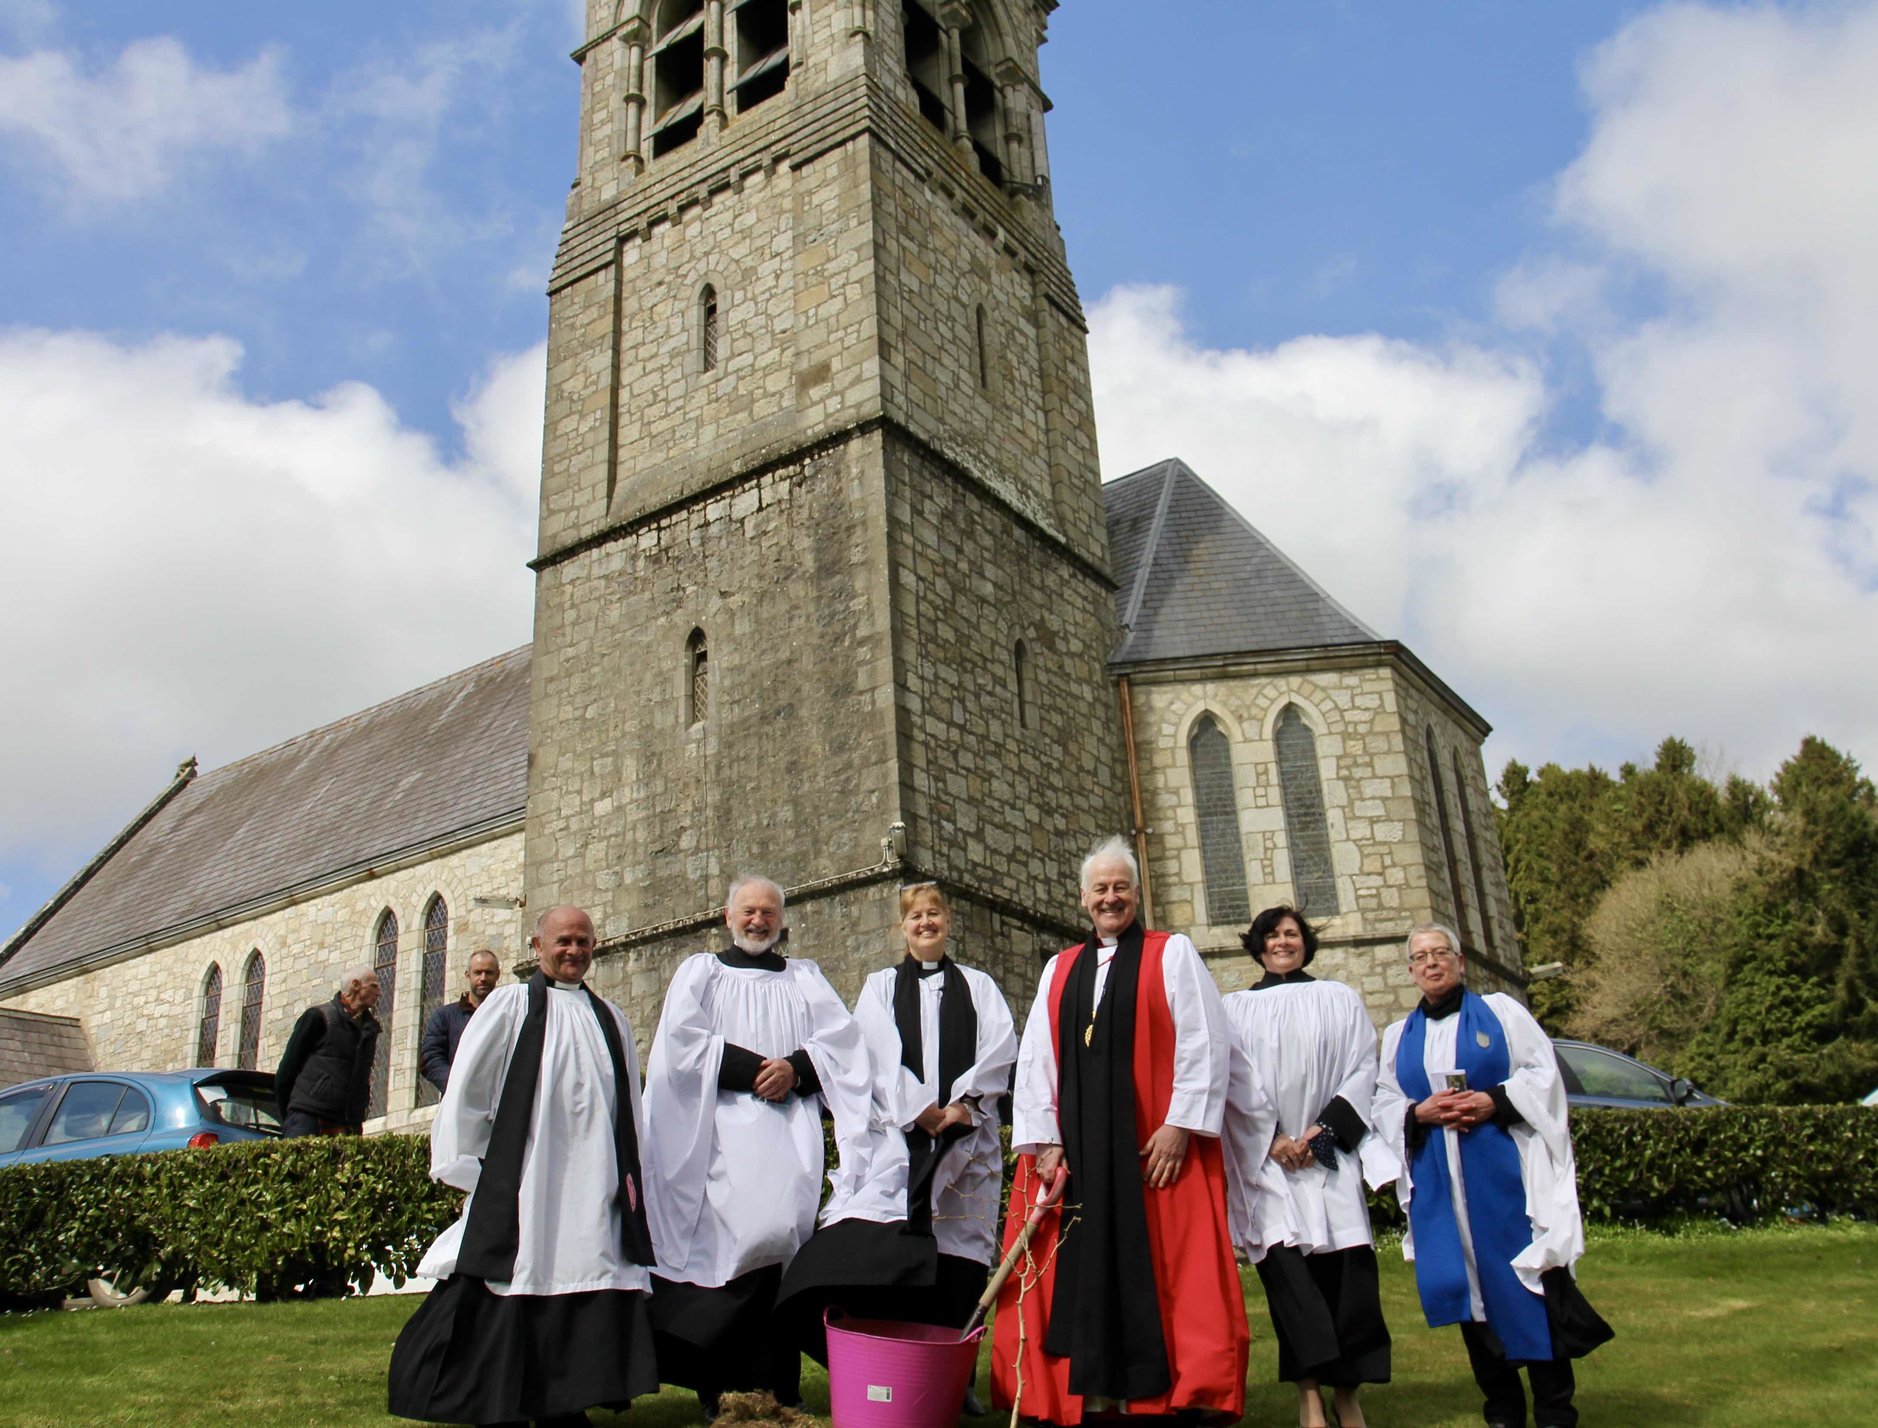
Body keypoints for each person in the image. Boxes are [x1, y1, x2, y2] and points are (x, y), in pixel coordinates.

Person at [992, 837, 1247, 1426]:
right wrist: (1047, 1140)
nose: (1111, 898)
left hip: (1148, 1148)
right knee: (1071, 1264)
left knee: (1165, 1263)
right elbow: (1036, 1059)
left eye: (1121, 887)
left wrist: (1182, 1124)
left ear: (1137, 893)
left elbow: (1205, 1041)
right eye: (1100, 889)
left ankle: (1176, 1392)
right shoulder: (1060, 969)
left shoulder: (1172, 953)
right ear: (1083, 898)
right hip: (1078, 1149)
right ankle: (1085, 1396)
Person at [387, 906, 658, 1428]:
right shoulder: (509, 1007)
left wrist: (628, 1179)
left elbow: (630, 1104)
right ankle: (503, 1400)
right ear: (537, 946)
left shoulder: (611, 1018)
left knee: (585, 1276)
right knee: (516, 1276)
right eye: (563, 941)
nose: (573, 950)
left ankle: (564, 1401)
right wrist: (469, 1164)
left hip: (593, 1178)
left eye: (582, 941)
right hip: (528, 1178)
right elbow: (467, 1087)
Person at [640, 874, 873, 1416]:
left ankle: (777, 1386)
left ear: (781, 920)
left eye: (768, 912)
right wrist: (756, 1071)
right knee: (726, 1254)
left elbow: (842, 1044)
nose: (758, 920)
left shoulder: (804, 977)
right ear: (727, 916)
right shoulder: (703, 973)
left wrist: (795, 1069)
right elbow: (680, 1042)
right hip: (717, 1133)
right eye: (748, 911)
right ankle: (718, 1385)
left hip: (790, 1134)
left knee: (779, 1249)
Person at [776, 883, 1017, 1390]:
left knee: (960, 1255)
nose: (926, 923)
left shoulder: (979, 986)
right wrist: (918, 1110)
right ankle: (882, 1361)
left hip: (967, 1140)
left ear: (949, 921)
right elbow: (874, 1052)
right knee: (884, 1245)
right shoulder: (880, 985)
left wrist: (963, 1105)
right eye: (915, 917)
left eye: (934, 914)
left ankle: (956, 1379)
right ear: (901, 927)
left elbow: (999, 1048)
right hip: (900, 1139)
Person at [1373, 923, 1612, 1428]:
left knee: (1530, 1286)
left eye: (1441, 953)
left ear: (1460, 962)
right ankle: (1501, 1411)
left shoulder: (1502, 1014)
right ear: (1411, 970)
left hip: (1508, 1179)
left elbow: (1541, 1074)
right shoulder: (1398, 1037)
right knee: (1470, 1297)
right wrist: (1420, 1113)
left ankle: (1554, 1410)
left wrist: (1492, 1101)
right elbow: (1385, 1102)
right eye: (1421, 957)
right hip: (1442, 1189)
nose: (1432, 963)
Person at [1221, 906, 1396, 1428]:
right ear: (1257, 945)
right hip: (1270, 1167)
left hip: (1329, 1159)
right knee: (1293, 1288)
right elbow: (1232, 1083)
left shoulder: (1338, 998)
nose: (1282, 942)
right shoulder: (1232, 1011)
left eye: (1292, 934)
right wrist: (1272, 1138)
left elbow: (1364, 1065)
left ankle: (1348, 1395)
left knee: (1347, 1285)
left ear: (1306, 943)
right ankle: (1309, 1396)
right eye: (1272, 935)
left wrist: (1325, 1130)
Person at [275, 966, 382, 1136]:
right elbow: (286, 1071)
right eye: (374, 986)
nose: (380, 993)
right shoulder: (318, 1017)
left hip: (348, 1122)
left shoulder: (370, 1030)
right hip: (308, 1118)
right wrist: (291, 1115)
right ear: (355, 985)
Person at [420, 949, 503, 1092]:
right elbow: (430, 1058)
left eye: (488, 973)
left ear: (497, 975)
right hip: (458, 1101)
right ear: (468, 975)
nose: (483, 978)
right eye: (478, 972)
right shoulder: (445, 1017)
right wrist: (457, 1086)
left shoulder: (506, 1015)